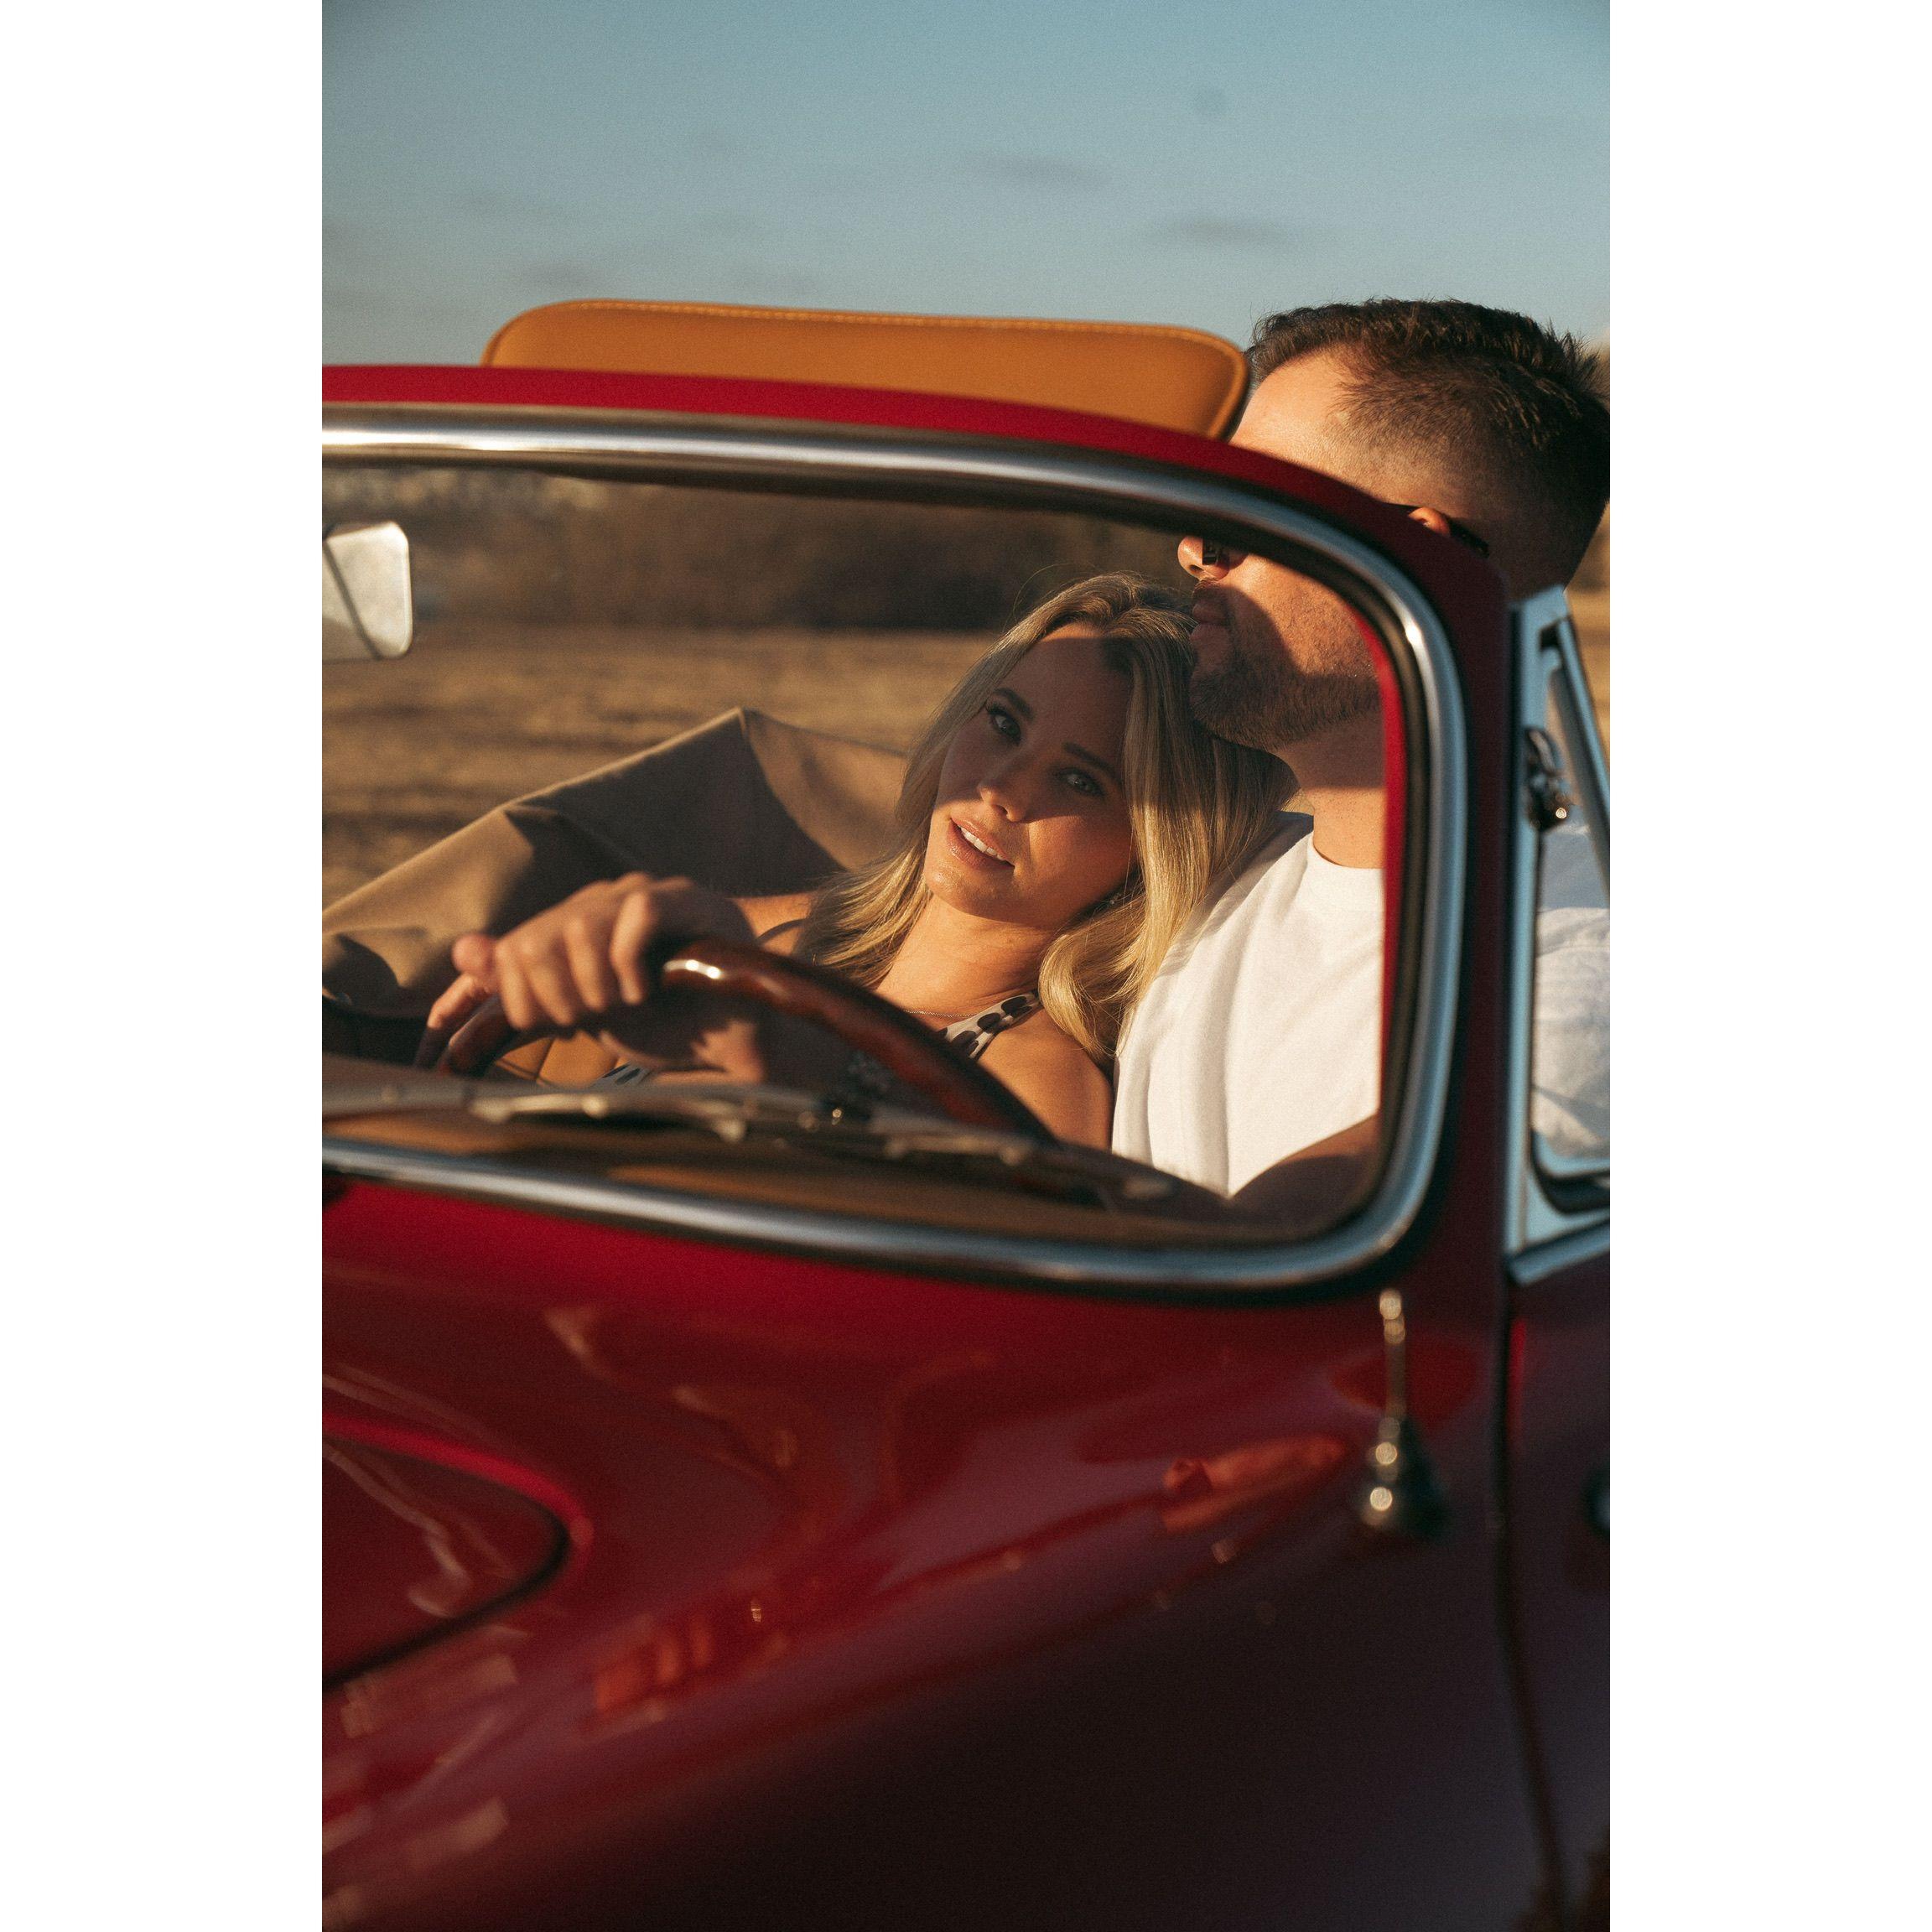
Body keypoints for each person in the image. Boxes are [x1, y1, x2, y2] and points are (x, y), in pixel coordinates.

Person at [421, 574, 1288, 1146]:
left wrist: (787, 1061)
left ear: (1154, 850)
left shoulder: (1035, 1083)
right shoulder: (780, 930)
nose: (1002, 790)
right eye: (1002, 723)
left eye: (1079, 779)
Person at [1111, 298, 1610, 1211]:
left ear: (1414, 561)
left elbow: (1282, 1254)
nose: (1192, 549)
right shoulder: (1216, 882)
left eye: (1252, 506)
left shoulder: (1581, 956)